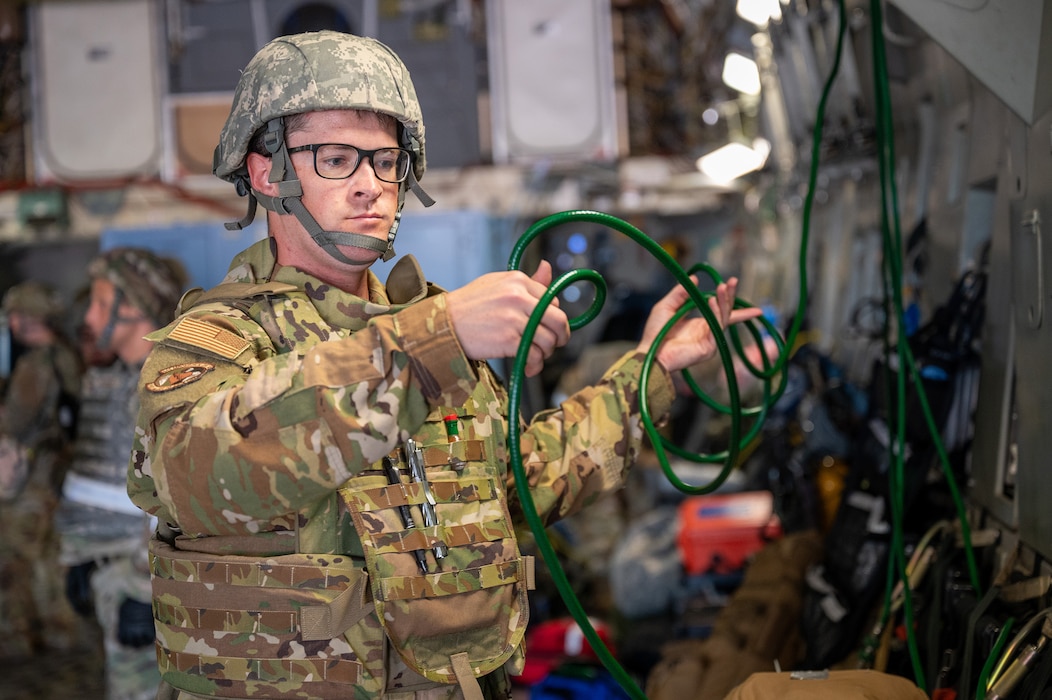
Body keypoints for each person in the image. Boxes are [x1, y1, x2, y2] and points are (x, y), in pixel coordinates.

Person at [127, 30, 761, 700]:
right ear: (267, 171)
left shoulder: (421, 324)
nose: (372, 186)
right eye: (339, 159)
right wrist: (438, 336)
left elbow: (525, 476)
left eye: (387, 161)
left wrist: (650, 369)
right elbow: (196, 473)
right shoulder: (215, 339)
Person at [55, 248, 186, 700]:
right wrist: (81, 561)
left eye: (98, 303)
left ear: (130, 308)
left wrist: (138, 589)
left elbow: (175, 504)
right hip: (109, 564)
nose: (89, 317)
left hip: (138, 577)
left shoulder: (164, 388)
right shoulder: (122, 377)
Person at [0, 280, 83, 657]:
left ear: (26, 318)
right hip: (63, 470)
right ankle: (61, 633)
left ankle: (22, 638)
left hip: (36, 476)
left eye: (14, 315)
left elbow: (17, 423)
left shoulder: (36, 363)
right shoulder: (68, 353)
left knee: (17, 556)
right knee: (51, 555)